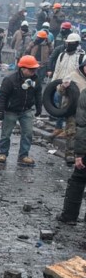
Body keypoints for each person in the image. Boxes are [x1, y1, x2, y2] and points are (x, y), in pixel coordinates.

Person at [0, 55, 42, 166]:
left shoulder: (36, 79)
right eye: (31, 69)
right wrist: (0, 111)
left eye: (35, 69)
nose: (33, 71)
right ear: (23, 68)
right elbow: (2, 95)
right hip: (11, 111)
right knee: (6, 134)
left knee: (28, 133)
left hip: (26, 110)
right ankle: (3, 154)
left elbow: (38, 94)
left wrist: (39, 106)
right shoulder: (10, 79)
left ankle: (23, 156)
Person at [57, 59, 86, 225]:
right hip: (73, 114)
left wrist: (80, 154)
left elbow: (82, 127)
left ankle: (69, 217)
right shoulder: (73, 76)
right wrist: (63, 86)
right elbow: (59, 90)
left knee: (78, 178)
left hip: (82, 130)